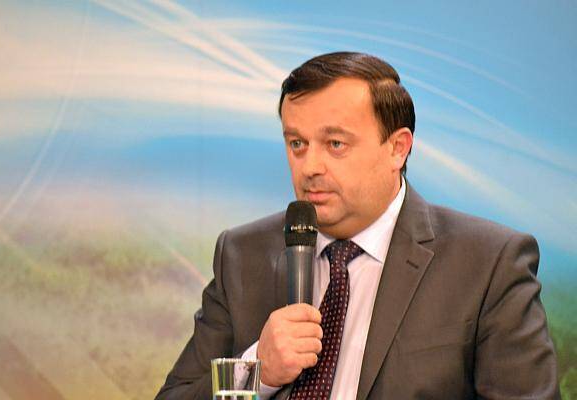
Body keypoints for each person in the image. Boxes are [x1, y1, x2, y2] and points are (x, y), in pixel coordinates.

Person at [155, 52, 560, 399]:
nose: (310, 167)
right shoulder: (243, 254)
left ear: (397, 148)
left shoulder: (487, 264)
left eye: (335, 144)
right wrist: (256, 371)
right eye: (297, 144)